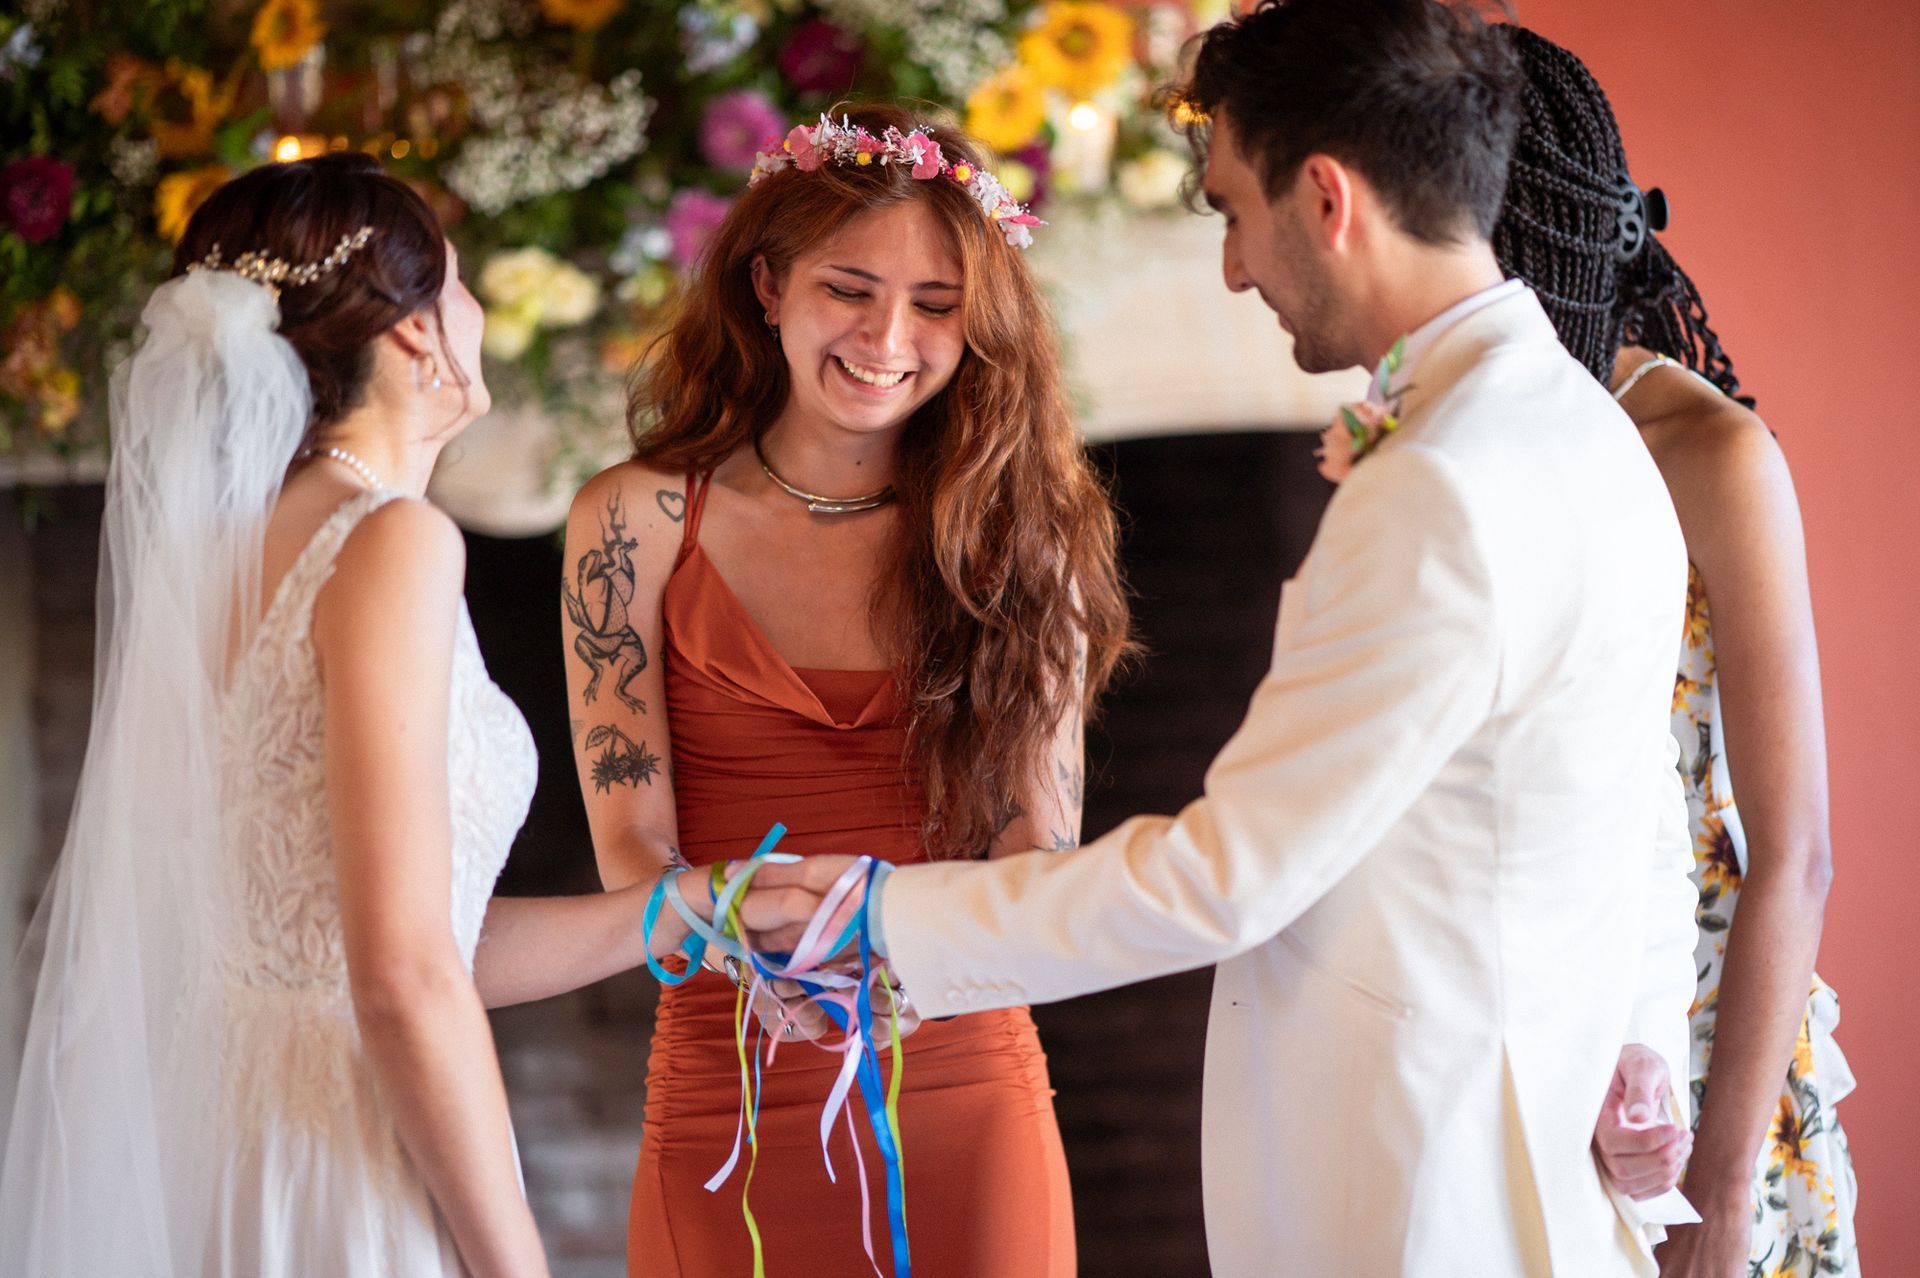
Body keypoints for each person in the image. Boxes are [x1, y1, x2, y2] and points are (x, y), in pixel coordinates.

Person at [729, 3, 1704, 1274]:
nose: (1237, 267)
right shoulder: (1587, 435)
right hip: (1536, 1172)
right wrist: (1640, 1037)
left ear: (1328, 198)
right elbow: (1642, 807)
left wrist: (883, 926)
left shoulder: (1442, 484)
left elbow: (1228, 876)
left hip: (1419, 1189)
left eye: (1233, 210)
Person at [0, 154, 704, 1277]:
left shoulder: (225, 560)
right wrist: (515, 1264)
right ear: (418, 333)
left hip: (240, 1145)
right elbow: (400, 976)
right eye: (460, 284)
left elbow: (387, 940)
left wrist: (687, 909)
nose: (474, 316)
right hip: (348, 1158)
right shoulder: (389, 543)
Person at [560, 105, 1130, 1277]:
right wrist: (751, 957)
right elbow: (632, 840)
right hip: (731, 1082)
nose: (887, 338)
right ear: (767, 285)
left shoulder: (1033, 537)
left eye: (935, 305)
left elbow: (1041, 850)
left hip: (964, 1078)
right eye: (849, 288)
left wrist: (917, 967)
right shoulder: (635, 520)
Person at [1491, 27, 1857, 1277]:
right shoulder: (1445, 429)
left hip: (1696, 1059)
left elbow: (1792, 853)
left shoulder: (1711, 457)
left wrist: (1716, 1194)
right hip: (1528, 1012)